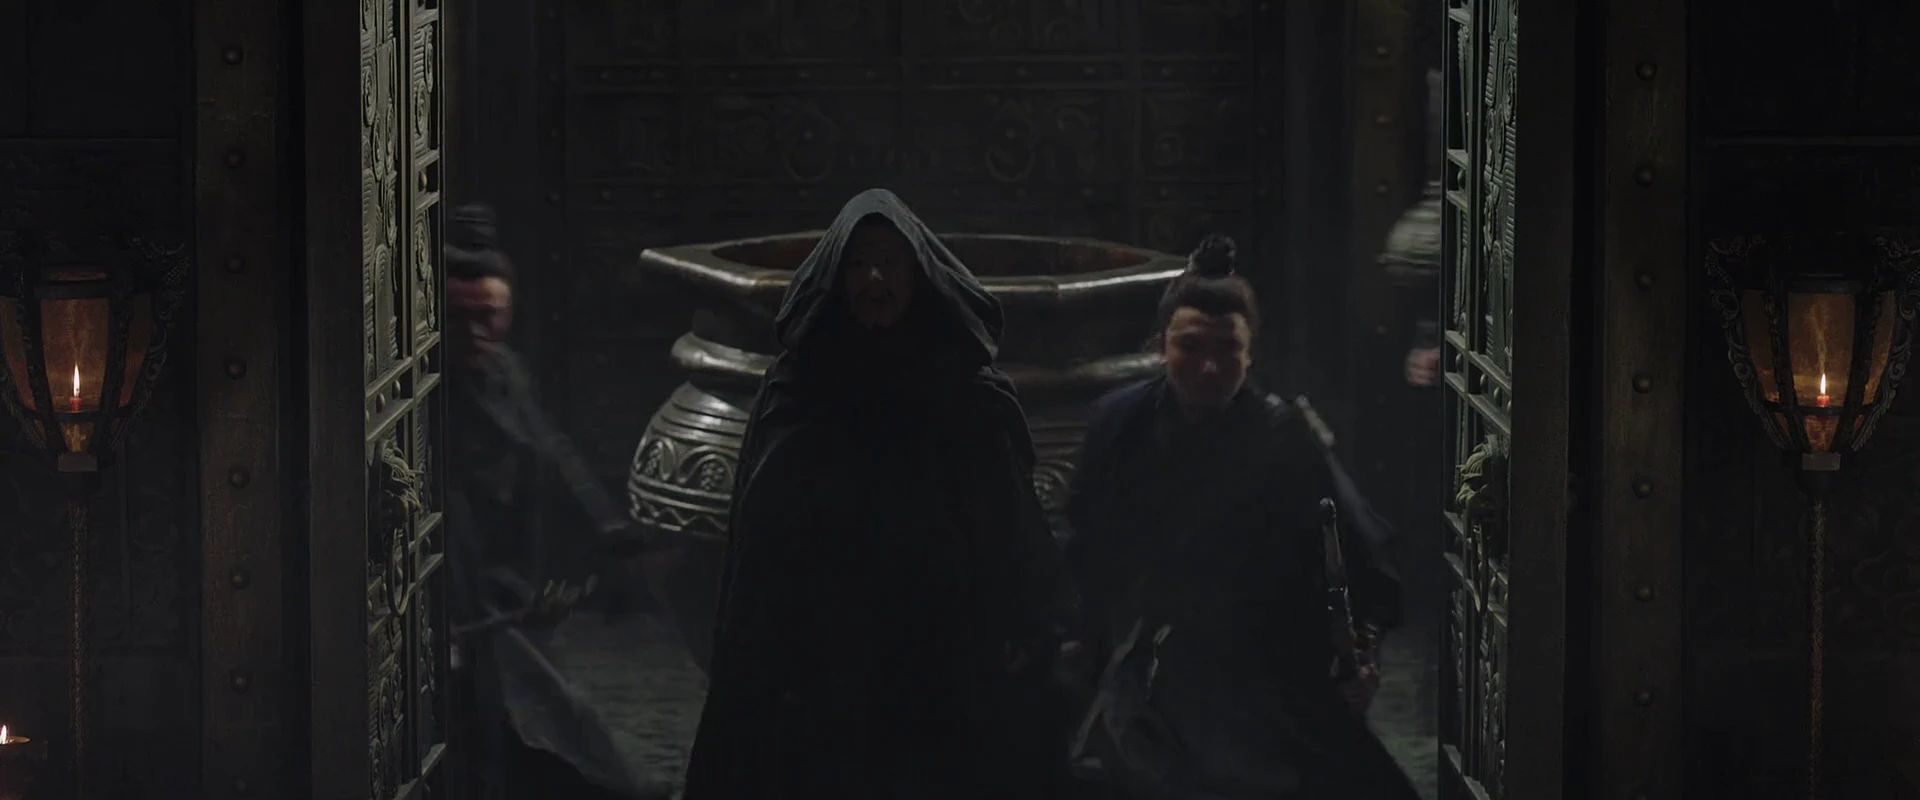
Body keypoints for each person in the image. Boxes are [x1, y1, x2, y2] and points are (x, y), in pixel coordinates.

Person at [681, 188, 1073, 800]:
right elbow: (758, 539)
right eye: (859, 263)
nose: (874, 279)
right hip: (828, 654)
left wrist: (1024, 620)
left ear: (916, 274)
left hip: (941, 649)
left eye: (890, 262)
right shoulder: (800, 387)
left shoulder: (963, 388)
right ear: (838, 278)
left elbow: (1011, 518)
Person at [1063, 234, 1421, 799]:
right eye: (1190, 346)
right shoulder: (1119, 424)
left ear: (1250, 354)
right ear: (1161, 346)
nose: (1208, 367)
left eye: (1227, 349)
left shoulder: (1285, 439)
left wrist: (1361, 652)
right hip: (1144, 660)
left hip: (1263, 670)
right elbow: (1083, 542)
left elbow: (1359, 551)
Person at [441, 203, 671, 800]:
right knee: (541, 718)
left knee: (537, 721)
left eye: (487, 316)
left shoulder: (505, 372)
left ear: (509, 311)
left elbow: (554, 452)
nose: (474, 332)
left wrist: (612, 530)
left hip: (511, 577)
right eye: (458, 317)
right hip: (463, 589)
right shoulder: (435, 397)